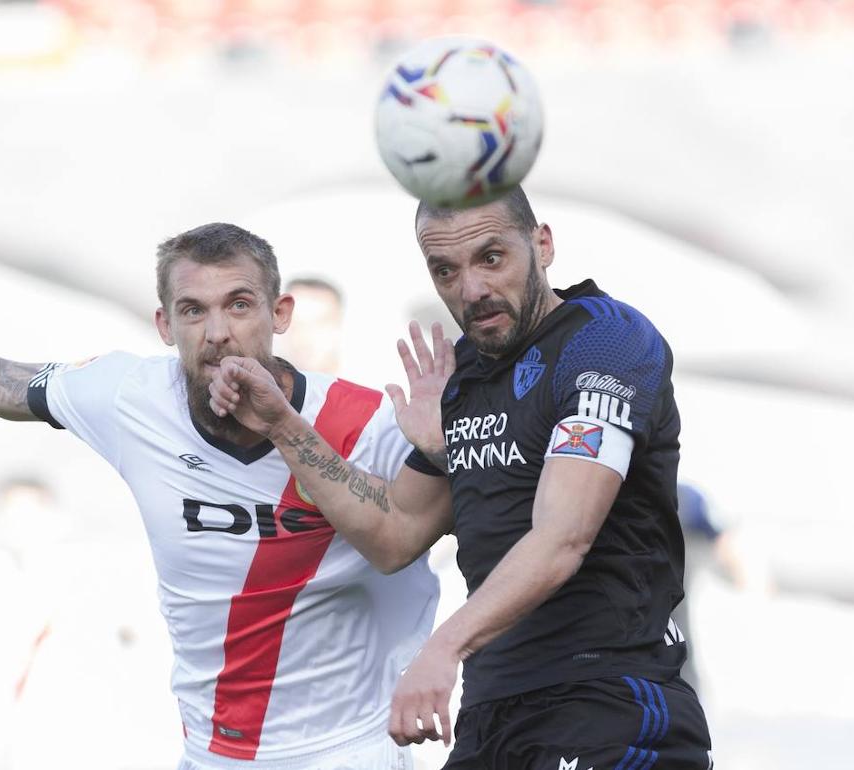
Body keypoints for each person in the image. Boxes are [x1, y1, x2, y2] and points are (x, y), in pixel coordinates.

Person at [0, 222, 439, 770]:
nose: (218, 332)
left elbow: (403, 539)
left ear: (279, 314)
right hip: (216, 753)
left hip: (351, 748)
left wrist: (286, 427)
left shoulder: (368, 421)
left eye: (240, 305)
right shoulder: (132, 395)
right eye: (192, 310)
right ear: (165, 326)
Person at [208, 187, 715, 768]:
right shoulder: (462, 376)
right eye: (445, 270)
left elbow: (563, 535)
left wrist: (442, 646)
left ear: (542, 245)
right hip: (494, 712)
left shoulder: (603, 341)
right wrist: (283, 425)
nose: (470, 290)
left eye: (491, 258)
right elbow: (395, 533)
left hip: (607, 700)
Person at [276, 277, 344, 375]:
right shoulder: (260, 385)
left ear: (338, 325)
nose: (303, 337)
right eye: (295, 324)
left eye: (319, 325)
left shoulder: (366, 386)